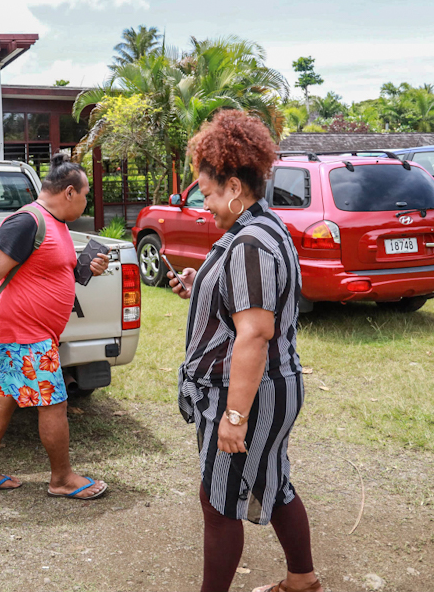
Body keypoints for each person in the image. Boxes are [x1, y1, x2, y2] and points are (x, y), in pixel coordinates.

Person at [170, 111, 320, 592]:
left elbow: (254, 334)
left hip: (246, 394)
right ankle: (302, 581)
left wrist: (234, 417)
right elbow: (247, 304)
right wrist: (200, 286)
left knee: (218, 503)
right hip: (271, 387)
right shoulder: (265, 228)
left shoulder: (249, 244)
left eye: (208, 194)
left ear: (234, 186)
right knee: (271, 484)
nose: (205, 206)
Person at [0, 153, 111, 500]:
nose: (86, 202)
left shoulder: (56, 223)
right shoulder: (26, 221)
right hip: (25, 335)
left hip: (24, 335)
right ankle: (62, 479)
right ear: (69, 192)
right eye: (86, 194)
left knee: (4, 399)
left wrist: (88, 269)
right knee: (53, 404)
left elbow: (50, 271)